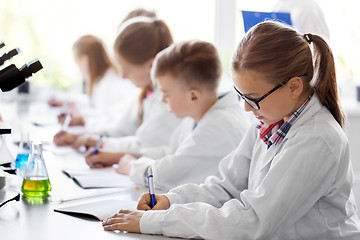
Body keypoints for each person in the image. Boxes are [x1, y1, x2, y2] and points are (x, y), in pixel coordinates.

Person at [102, 21, 360, 239]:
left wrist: (157, 222)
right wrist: (171, 200)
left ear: (293, 87)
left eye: (253, 98)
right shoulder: (271, 120)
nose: (247, 109)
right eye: (241, 96)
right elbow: (226, 187)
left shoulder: (316, 139)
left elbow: (253, 220)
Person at [91, 40, 250, 190]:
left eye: (166, 93)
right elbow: (172, 152)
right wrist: (123, 156)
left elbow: (171, 173)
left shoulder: (218, 126)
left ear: (193, 96)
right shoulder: (198, 115)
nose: (162, 99)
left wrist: (131, 167)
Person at [54, 16, 181, 157]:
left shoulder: (168, 101)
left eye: (127, 70)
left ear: (151, 66)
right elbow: (121, 128)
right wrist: (85, 137)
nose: (123, 76)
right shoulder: (147, 92)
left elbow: (143, 144)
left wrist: (101, 145)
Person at [51, 35, 138, 127]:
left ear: (85, 60)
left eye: (77, 63)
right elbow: (96, 105)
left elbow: (107, 120)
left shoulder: (109, 85)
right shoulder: (104, 79)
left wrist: (81, 118)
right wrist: (70, 104)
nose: (79, 70)